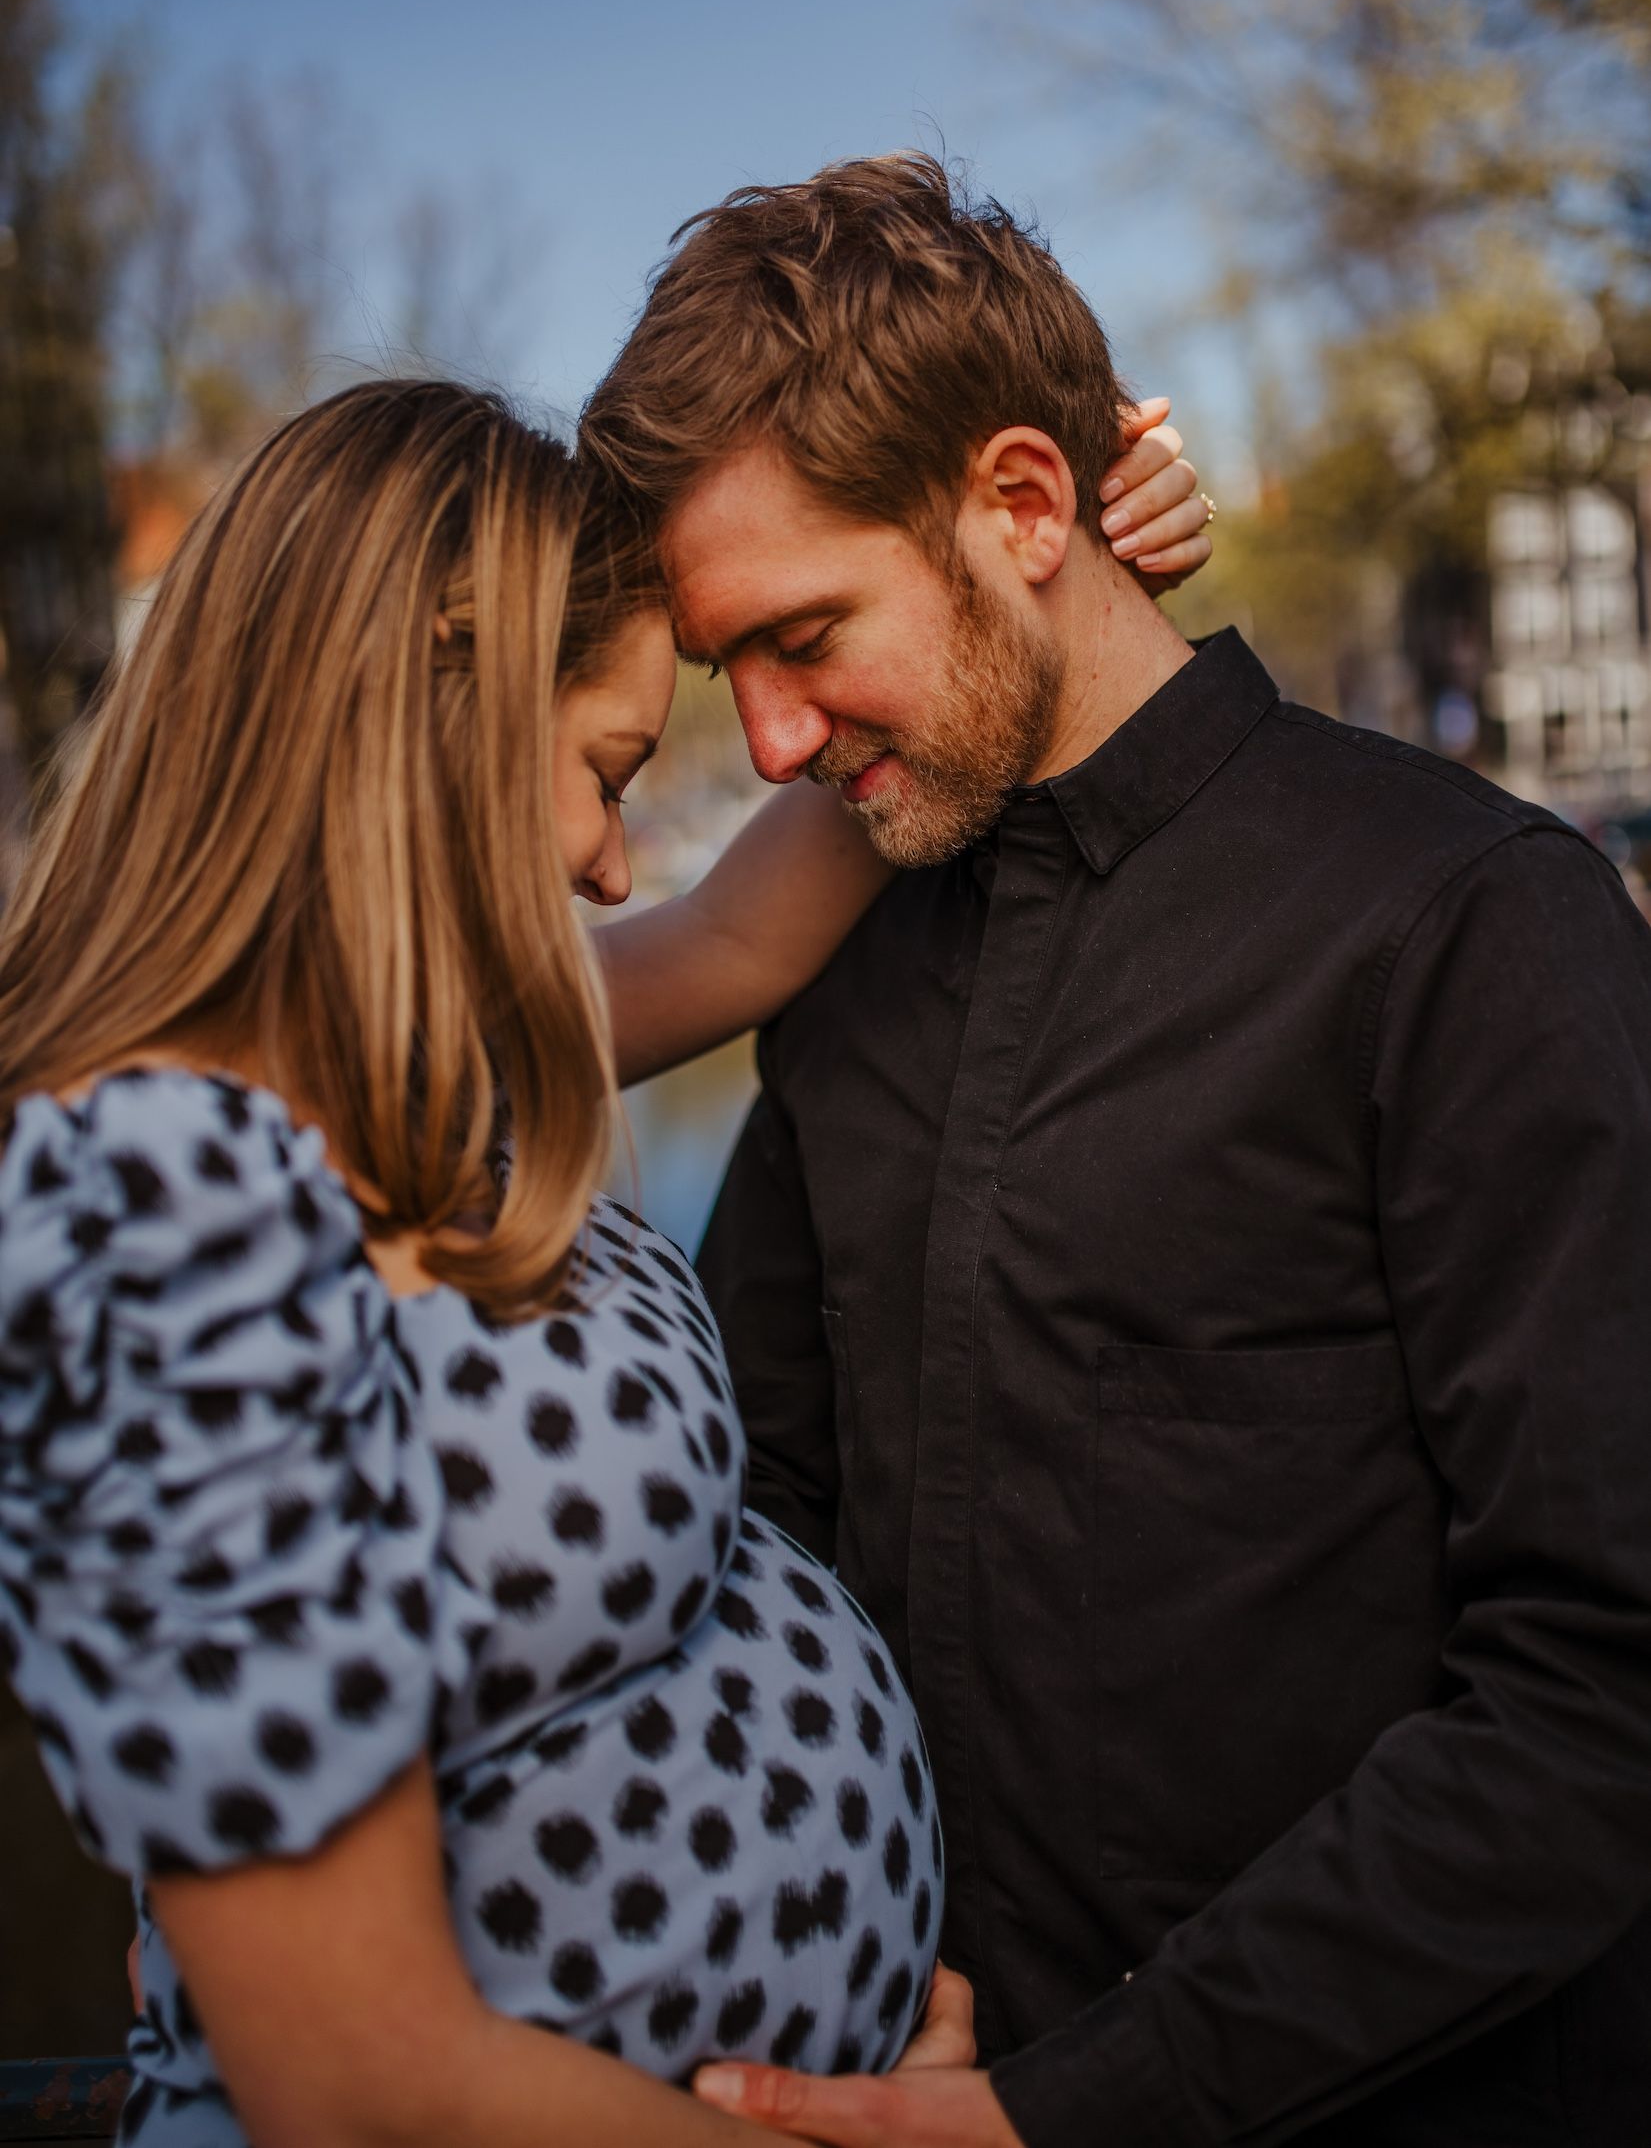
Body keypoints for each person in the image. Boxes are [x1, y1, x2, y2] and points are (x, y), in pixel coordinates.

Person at [576, 153, 1651, 2148]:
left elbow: (1604, 1694)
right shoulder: (844, 964)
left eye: (804, 634)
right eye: (732, 669)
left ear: (1021, 505)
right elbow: (757, 1553)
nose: (776, 742)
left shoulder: (1466, 924)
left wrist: (1080, 2116)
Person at [0, 373, 1204, 2146]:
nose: (618, 868)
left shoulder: (437, 1052)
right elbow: (355, 2083)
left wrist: (1021, 578)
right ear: (435, 707)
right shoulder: (148, 1201)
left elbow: (742, 929)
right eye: (605, 774)